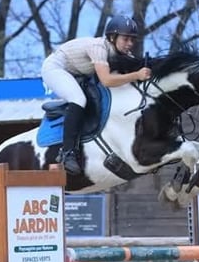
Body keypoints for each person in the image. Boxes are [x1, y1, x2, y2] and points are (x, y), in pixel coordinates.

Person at [41, 15, 153, 176]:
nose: (130, 43)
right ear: (112, 37)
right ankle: (67, 152)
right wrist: (136, 75)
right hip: (56, 68)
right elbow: (107, 80)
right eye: (126, 39)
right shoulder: (99, 48)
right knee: (78, 99)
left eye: (132, 40)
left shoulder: (121, 53)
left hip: (78, 73)